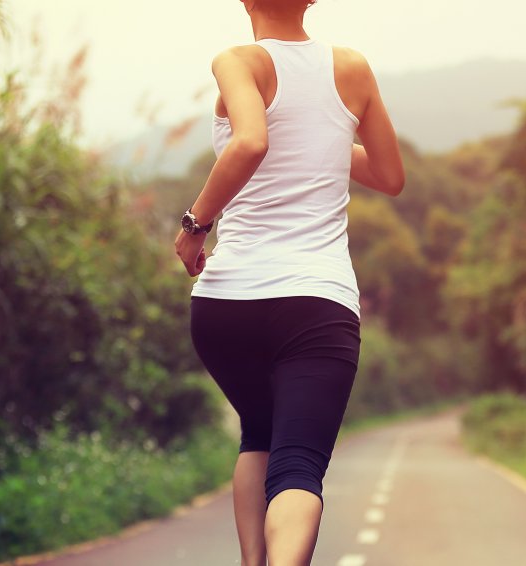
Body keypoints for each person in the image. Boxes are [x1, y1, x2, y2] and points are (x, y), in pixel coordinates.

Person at [173, 0, 404, 564]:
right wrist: (324, 140)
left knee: (259, 433)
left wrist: (194, 227)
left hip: (226, 303)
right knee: (298, 464)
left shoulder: (239, 61)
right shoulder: (352, 67)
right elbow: (390, 175)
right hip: (314, 303)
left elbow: (252, 139)